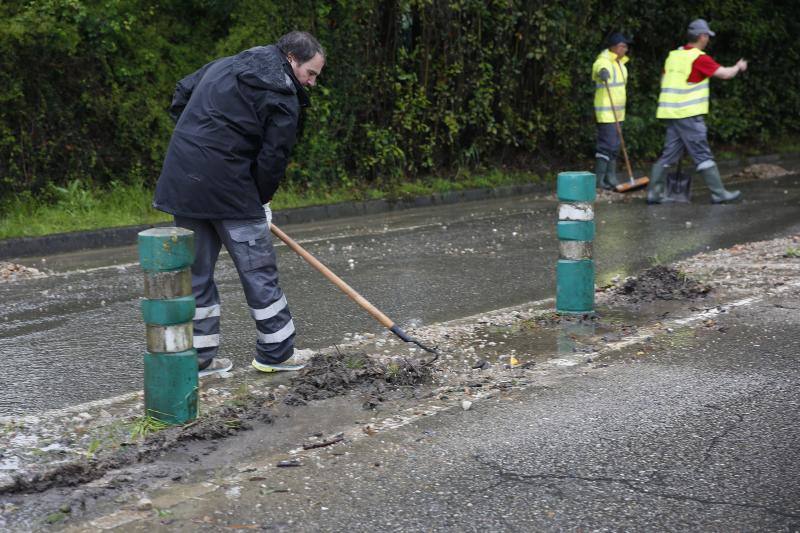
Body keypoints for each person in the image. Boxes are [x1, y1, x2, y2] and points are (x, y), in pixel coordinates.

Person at [153, 31, 325, 376]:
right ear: (292, 59)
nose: (312, 82)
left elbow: (181, 95)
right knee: (258, 271)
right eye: (311, 73)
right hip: (232, 190)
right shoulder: (283, 94)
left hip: (185, 181)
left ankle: (199, 361)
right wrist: (260, 199)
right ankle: (276, 354)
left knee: (197, 274)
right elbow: (273, 158)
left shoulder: (226, 65)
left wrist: (201, 143)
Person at [647, 19, 747, 204]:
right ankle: (719, 194)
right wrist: (738, 67)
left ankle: (654, 194)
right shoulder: (699, 58)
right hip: (689, 114)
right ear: (701, 36)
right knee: (702, 154)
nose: (708, 39)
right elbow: (725, 74)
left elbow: (663, 79)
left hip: (671, 113)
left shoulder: (674, 56)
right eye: (707, 35)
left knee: (669, 154)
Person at [592, 33, 632, 190]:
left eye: (626, 46)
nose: (626, 49)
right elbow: (598, 67)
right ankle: (600, 181)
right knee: (606, 145)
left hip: (618, 113)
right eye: (623, 46)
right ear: (614, 47)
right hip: (606, 113)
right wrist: (601, 72)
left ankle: (611, 178)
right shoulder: (604, 60)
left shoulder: (622, 65)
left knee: (614, 145)